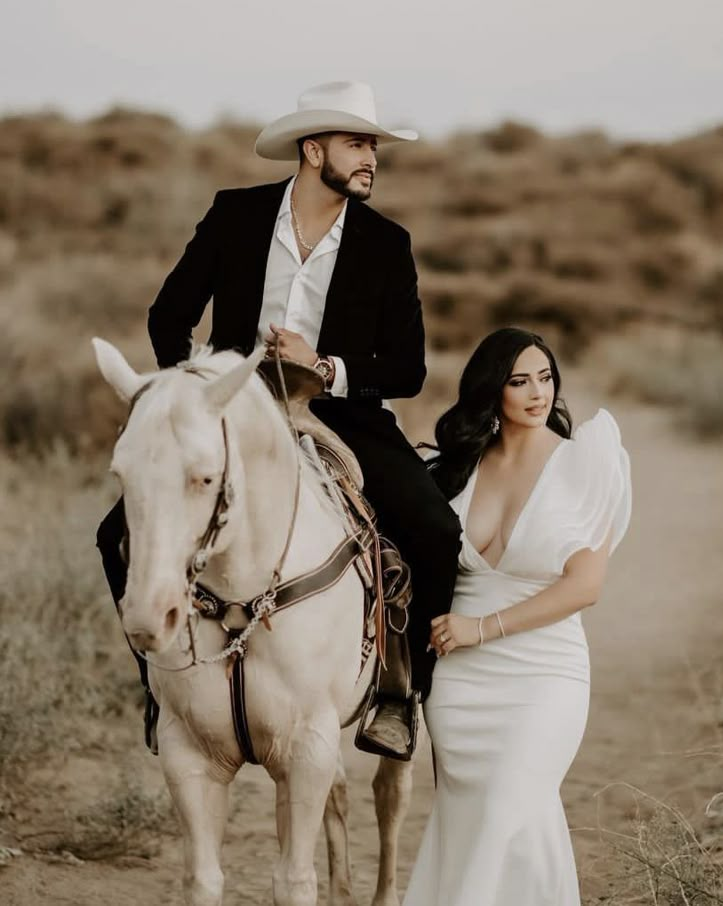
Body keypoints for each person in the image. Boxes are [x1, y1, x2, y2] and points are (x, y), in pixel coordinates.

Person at [96, 81, 462, 758]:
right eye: (357, 144)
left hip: (341, 415)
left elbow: (408, 368)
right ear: (312, 147)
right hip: (233, 413)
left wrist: (325, 368)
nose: (370, 158)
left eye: (374, 145)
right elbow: (168, 315)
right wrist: (196, 392)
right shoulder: (236, 215)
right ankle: (158, 688)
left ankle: (398, 694)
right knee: (114, 531)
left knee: (437, 531)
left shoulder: (387, 243)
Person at [403, 327, 632, 905]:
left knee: (510, 804)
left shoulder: (588, 463)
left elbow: (586, 586)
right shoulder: (454, 470)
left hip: (543, 673)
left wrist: (482, 628)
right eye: (519, 380)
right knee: (488, 823)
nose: (538, 393)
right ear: (491, 390)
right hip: (460, 683)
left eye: (546, 378)